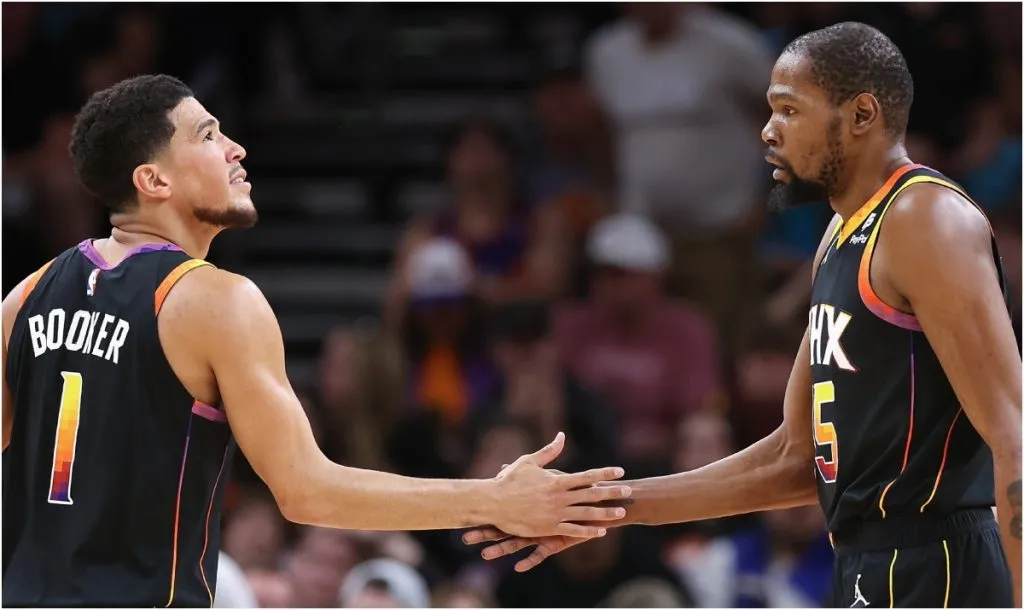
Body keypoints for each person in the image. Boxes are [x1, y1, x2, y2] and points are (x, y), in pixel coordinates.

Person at [0, 74, 631, 607]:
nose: (236, 148)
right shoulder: (213, 299)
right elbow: (306, 491)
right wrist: (493, 499)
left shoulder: (23, 297)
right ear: (153, 181)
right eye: (209, 135)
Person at [465, 22, 1021, 607]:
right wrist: (600, 508)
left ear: (861, 115)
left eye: (789, 110)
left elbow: (1014, 436)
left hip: (941, 565)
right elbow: (794, 457)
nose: (768, 131)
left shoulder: (925, 221)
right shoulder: (840, 237)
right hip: (867, 563)